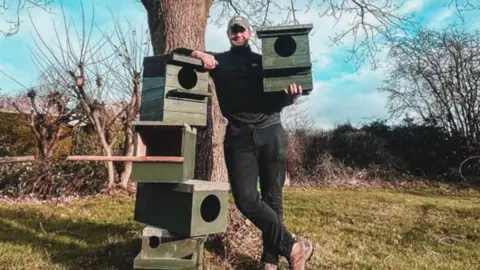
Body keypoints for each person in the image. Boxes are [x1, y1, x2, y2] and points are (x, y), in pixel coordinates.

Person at [172, 15, 314, 270]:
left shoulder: (265, 63)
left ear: (249, 34)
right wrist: (198, 53)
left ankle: (269, 260)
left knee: (273, 198)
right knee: (245, 199)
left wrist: (292, 97)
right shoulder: (219, 62)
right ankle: (293, 246)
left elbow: (277, 101)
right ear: (229, 35)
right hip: (238, 136)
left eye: (241, 30)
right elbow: (177, 52)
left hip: (271, 131)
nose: (237, 34)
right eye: (232, 31)